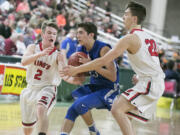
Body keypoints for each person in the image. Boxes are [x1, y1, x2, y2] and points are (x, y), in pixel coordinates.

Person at [61, 2, 165, 135]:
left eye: (126, 14)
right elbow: (153, 63)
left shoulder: (129, 38)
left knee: (117, 108)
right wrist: (140, 76)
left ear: (134, 19)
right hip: (151, 81)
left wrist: (75, 70)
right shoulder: (148, 37)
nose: (123, 17)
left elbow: (103, 61)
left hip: (147, 83)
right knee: (125, 114)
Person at [20, 20, 82, 135]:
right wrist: (40, 54)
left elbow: (63, 74)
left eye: (54, 33)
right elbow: (23, 62)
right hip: (30, 89)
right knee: (27, 130)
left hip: (47, 88)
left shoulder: (58, 55)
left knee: (41, 108)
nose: (52, 35)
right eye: (49, 33)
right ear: (43, 34)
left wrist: (73, 80)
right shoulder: (32, 47)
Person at [59, 22, 120, 135]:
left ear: (91, 35)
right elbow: (81, 79)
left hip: (109, 88)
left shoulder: (103, 49)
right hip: (94, 86)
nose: (78, 36)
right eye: (77, 33)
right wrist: (71, 75)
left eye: (81, 33)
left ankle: (93, 131)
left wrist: (92, 64)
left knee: (80, 104)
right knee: (72, 109)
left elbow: (113, 76)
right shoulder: (81, 49)